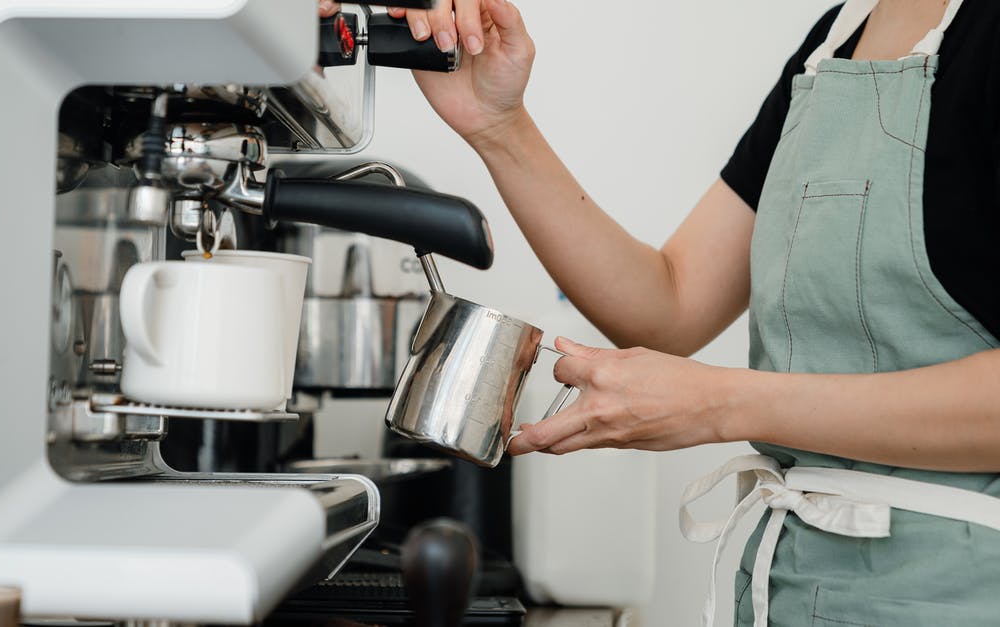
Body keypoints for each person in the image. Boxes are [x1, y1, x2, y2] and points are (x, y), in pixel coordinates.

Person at [321, 0, 1000, 624]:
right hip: (791, 588)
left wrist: (721, 404)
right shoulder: (833, 42)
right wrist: (498, 124)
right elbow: (671, 301)